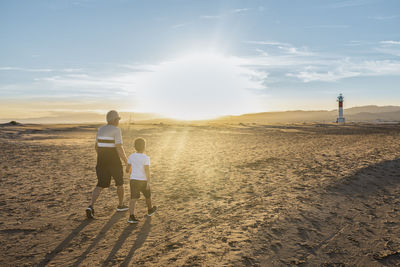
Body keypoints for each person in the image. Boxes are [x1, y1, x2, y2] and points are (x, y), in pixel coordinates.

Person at [86, 110, 129, 219]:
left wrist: (101, 156)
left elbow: (96, 146)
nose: (118, 122)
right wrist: (126, 161)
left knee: (100, 184)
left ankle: (90, 206)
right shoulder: (116, 130)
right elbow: (119, 147)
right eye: (118, 119)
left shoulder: (100, 129)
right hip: (114, 161)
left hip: (101, 161)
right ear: (114, 120)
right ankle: (120, 205)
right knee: (119, 183)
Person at [126, 137, 157, 223]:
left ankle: (131, 216)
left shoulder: (131, 156)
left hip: (133, 180)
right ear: (144, 147)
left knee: (133, 198)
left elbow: (127, 170)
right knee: (148, 196)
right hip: (143, 180)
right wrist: (148, 182)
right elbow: (147, 170)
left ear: (134, 147)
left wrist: (132, 170)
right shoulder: (146, 157)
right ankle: (150, 210)